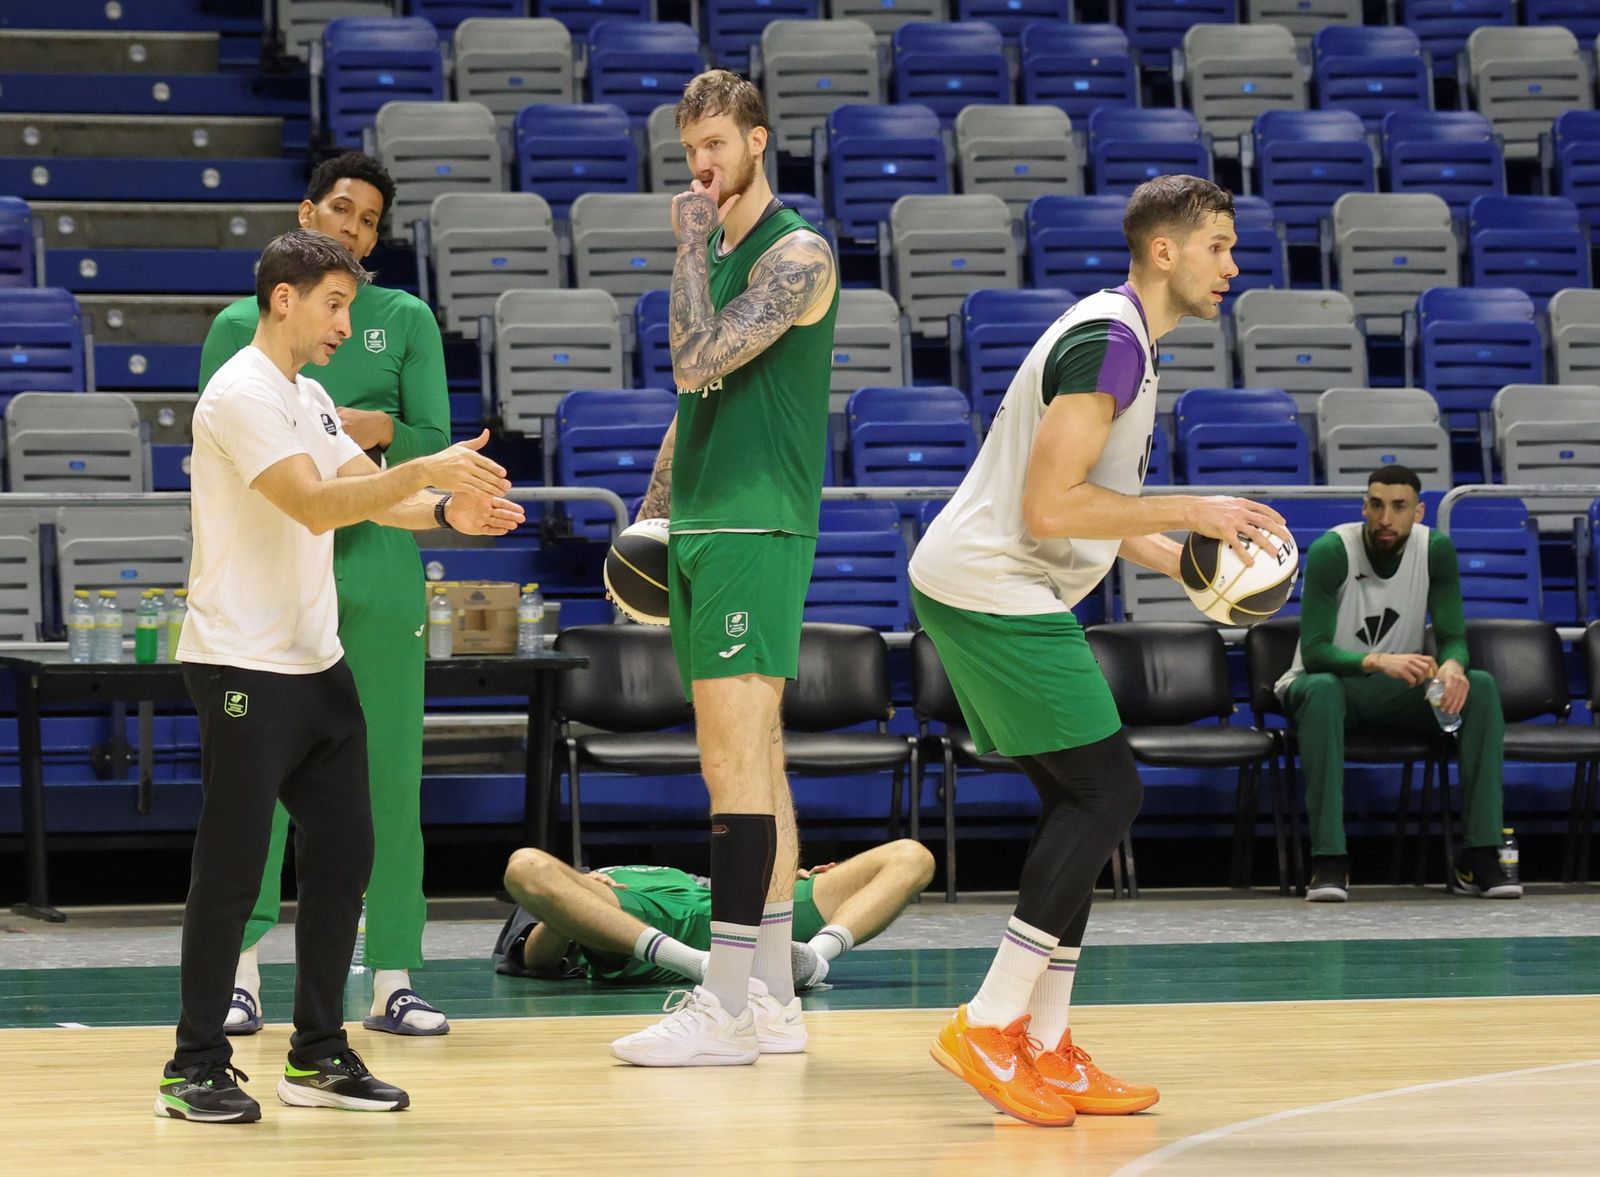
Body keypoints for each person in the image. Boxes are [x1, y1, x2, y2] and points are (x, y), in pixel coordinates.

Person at [907, 175, 1290, 1127]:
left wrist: (1189, 564)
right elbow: (1050, 506)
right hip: (991, 582)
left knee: (1080, 802)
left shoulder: (1131, 342)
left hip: (999, 581)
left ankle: (1047, 1045)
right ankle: (988, 1024)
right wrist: (1194, 509)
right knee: (1106, 793)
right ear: (1165, 250)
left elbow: (1092, 511)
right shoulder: (1110, 340)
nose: (1232, 265)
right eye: (1218, 246)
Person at [156, 229, 524, 1124]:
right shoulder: (240, 393)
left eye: (351, 308)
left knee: (346, 853)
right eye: (333, 304)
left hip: (316, 661)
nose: (344, 325)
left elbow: (373, 494)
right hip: (241, 661)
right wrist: (424, 466)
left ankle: (317, 1051)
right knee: (233, 868)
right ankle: (192, 1065)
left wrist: (450, 508)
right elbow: (316, 504)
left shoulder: (308, 396)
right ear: (283, 298)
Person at [197, 153, 456, 1037]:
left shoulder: (401, 321)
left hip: (375, 564)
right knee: (256, 792)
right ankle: (240, 974)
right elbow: (250, 468)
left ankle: (391, 976)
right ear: (306, 214)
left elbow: (429, 439)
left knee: (384, 782)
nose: (355, 226)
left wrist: (385, 439)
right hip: (277, 565)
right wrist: (369, 441)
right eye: (343, 209)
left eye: (371, 219)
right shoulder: (240, 335)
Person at [611, 69, 839, 1068]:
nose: (701, 166)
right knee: (760, 760)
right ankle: (776, 997)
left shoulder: (797, 253)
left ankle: (727, 1004)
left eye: (715, 145)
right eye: (689, 150)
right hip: (706, 524)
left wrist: (688, 247)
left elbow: (696, 358)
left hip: (755, 526)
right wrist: (653, 512)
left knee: (730, 763)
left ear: (757, 140)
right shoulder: (725, 252)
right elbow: (694, 405)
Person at [1275, 464, 1518, 903]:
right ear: (1364, 507)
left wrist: (1454, 665)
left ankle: (1480, 855)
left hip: (1395, 690)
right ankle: (1329, 860)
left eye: (1399, 507)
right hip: (1326, 686)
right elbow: (1314, 653)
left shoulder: (1435, 550)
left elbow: (1453, 637)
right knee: (1324, 689)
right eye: (1376, 505)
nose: (1385, 518)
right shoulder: (1334, 550)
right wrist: (1376, 660)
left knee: (1479, 686)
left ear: (1418, 512)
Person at [492, 839, 935, 988]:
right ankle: (701, 966)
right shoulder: (580, 886)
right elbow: (535, 959)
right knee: (525, 863)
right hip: (638, 922)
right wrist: (569, 905)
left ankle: (811, 960)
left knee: (911, 855)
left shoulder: (671, 872)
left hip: (747, 907)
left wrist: (782, 881)